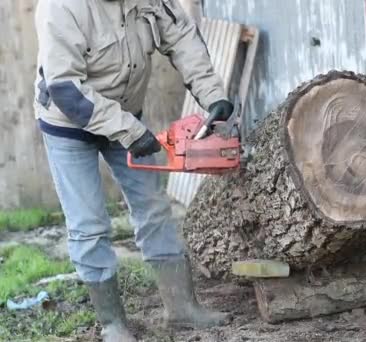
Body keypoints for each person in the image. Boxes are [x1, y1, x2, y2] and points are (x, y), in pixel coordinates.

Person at [33, 0, 234, 340]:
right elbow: (65, 87)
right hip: (68, 121)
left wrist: (212, 94)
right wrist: (129, 131)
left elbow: (182, 37)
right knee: (88, 225)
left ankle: (182, 308)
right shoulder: (60, 7)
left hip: (126, 115)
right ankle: (112, 323)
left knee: (154, 208)